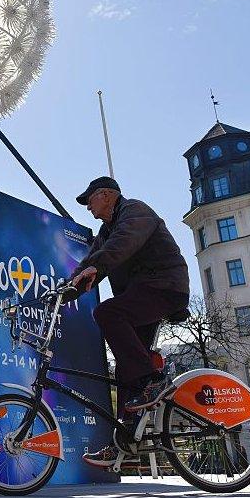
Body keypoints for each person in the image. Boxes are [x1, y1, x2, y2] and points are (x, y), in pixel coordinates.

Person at [68, 176, 190, 468]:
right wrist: (66, 288)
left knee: (108, 313)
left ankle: (154, 380)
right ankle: (124, 439)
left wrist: (97, 266)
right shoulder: (106, 231)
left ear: (108, 195)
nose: (88, 207)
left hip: (163, 286)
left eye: (90, 200)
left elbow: (122, 245)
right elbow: (93, 259)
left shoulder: (135, 212)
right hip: (141, 293)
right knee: (127, 368)